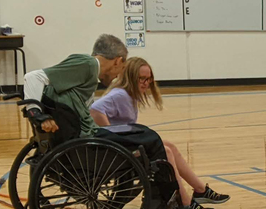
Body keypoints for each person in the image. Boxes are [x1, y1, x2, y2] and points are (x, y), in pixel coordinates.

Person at [22, 34, 168, 188]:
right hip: (85, 137)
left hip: (80, 134)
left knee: (140, 134)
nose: (118, 75)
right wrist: (36, 113)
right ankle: (164, 193)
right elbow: (32, 77)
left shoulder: (88, 74)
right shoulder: (89, 64)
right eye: (122, 68)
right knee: (151, 138)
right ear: (118, 61)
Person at [91, 57, 229, 209]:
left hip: (125, 145)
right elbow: (95, 110)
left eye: (148, 79)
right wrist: (111, 134)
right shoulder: (120, 95)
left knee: (170, 147)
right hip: (118, 150)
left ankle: (200, 190)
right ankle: (185, 203)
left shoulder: (129, 95)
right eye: (141, 78)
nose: (146, 83)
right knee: (166, 152)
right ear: (131, 77)